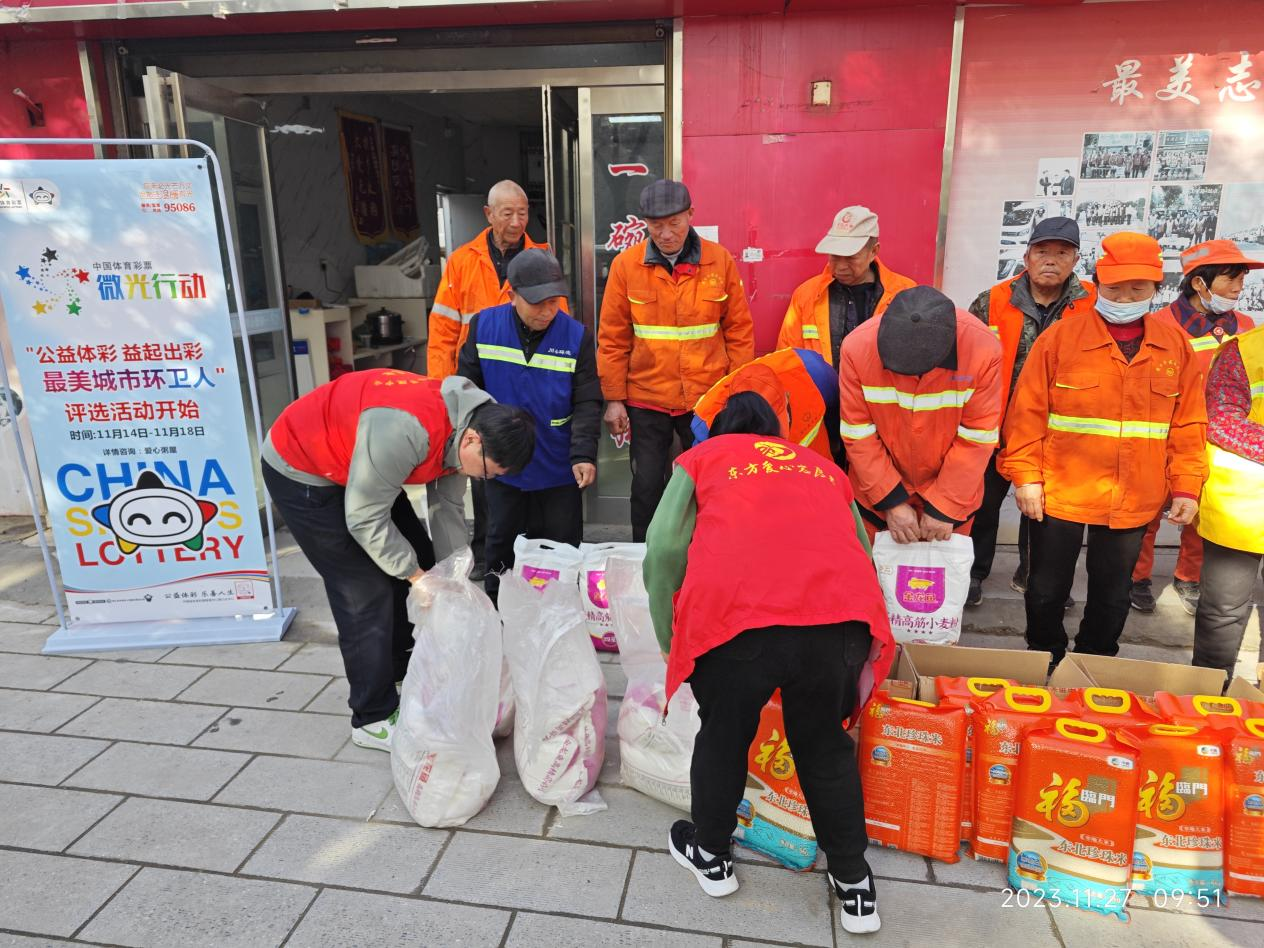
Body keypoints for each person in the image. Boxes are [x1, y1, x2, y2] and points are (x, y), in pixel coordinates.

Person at [643, 390, 895, 932]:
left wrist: (670, 636)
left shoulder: (702, 459)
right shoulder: (823, 468)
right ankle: (855, 886)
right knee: (824, 747)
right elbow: (861, 550)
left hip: (739, 621)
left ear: (719, 430)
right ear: (778, 435)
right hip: (836, 621)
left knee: (724, 735)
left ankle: (711, 856)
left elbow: (663, 550)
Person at [262, 369, 535, 749]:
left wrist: (453, 577)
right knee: (364, 590)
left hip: (360, 465)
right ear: (472, 440)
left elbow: (447, 505)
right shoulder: (407, 431)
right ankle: (371, 716)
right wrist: (416, 577)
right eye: (488, 472)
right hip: (303, 468)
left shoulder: (470, 424)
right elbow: (364, 518)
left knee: (420, 555)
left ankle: (396, 666)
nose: (484, 479)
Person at [1000, 232, 1207, 667]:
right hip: (1059, 491)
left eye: (1137, 289)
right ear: (1096, 284)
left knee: (1113, 595)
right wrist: (1026, 478)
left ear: (1156, 288)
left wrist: (1187, 487)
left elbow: (1188, 424)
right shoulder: (1060, 339)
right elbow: (1026, 414)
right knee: (1045, 589)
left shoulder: (1174, 347)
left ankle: (1094, 663)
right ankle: (1044, 658)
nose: (1125, 298)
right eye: (1114, 289)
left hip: (1134, 496)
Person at [597, 179, 755, 541]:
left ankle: (708, 553)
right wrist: (614, 399)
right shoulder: (626, 266)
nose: (666, 234)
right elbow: (612, 337)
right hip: (646, 397)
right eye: (656, 225)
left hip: (706, 398)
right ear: (645, 224)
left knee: (710, 482)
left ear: (690, 215)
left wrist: (736, 391)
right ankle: (645, 555)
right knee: (647, 485)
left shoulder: (719, 261)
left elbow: (739, 331)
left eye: (674, 223)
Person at [456, 249, 601, 603]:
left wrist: (583, 454)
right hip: (501, 461)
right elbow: (465, 390)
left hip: (557, 461)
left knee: (561, 545)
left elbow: (586, 400)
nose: (547, 311)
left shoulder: (576, 336)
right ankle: (497, 606)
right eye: (538, 303)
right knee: (500, 539)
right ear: (512, 295)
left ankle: (561, 609)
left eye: (554, 301)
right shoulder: (484, 327)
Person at [965, 217, 1096, 606]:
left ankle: (1034, 576)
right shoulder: (991, 300)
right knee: (980, 505)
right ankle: (972, 573)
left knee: (1044, 512)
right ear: (1027, 257)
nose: (1051, 260)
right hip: (994, 425)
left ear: (1076, 260)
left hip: (1057, 431)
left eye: (1062, 252)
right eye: (1042, 251)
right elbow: (965, 357)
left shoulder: (1092, 303)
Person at [1129, 239, 1263, 614]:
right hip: (1164, 436)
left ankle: (1188, 577)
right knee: (1148, 510)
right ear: (1199, 283)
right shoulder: (1158, 326)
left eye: (1241, 279)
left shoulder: (1246, 328)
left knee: (1204, 513)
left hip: (1219, 443)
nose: (1238, 288)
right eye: (1230, 279)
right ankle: (1136, 577)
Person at [428, 180, 549, 577]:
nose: (516, 222)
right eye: (507, 213)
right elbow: (443, 330)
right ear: (488, 214)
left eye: (523, 213)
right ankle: (484, 552)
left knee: (522, 464)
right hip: (474, 385)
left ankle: (527, 551)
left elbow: (555, 319)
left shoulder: (541, 257)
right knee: (481, 472)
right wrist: (440, 390)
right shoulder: (462, 262)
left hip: (524, 383)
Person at [838, 286, 1003, 543]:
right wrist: (891, 501)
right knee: (871, 568)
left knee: (943, 570)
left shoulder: (981, 349)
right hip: (876, 500)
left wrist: (945, 506)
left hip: (952, 499)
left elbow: (977, 437)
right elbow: (858, 433)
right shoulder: (857, 348)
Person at [1193, 323, 1264, 677]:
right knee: (1222, 612)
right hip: (1241, 507)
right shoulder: (1245, 351)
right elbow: (1221, 420)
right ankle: (1208, 695)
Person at [776, 206, 917, 368]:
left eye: (850, 257)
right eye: (834, 256)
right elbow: (785, 362)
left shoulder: (905, 294)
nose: (840, 267)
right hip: (818, 386)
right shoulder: (806, 295)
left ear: (873, 251)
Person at [691, 347, 842, 463]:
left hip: (821, 478)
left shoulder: (811, 371)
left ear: (787, 397)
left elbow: (841, 414)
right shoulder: (707, 426)